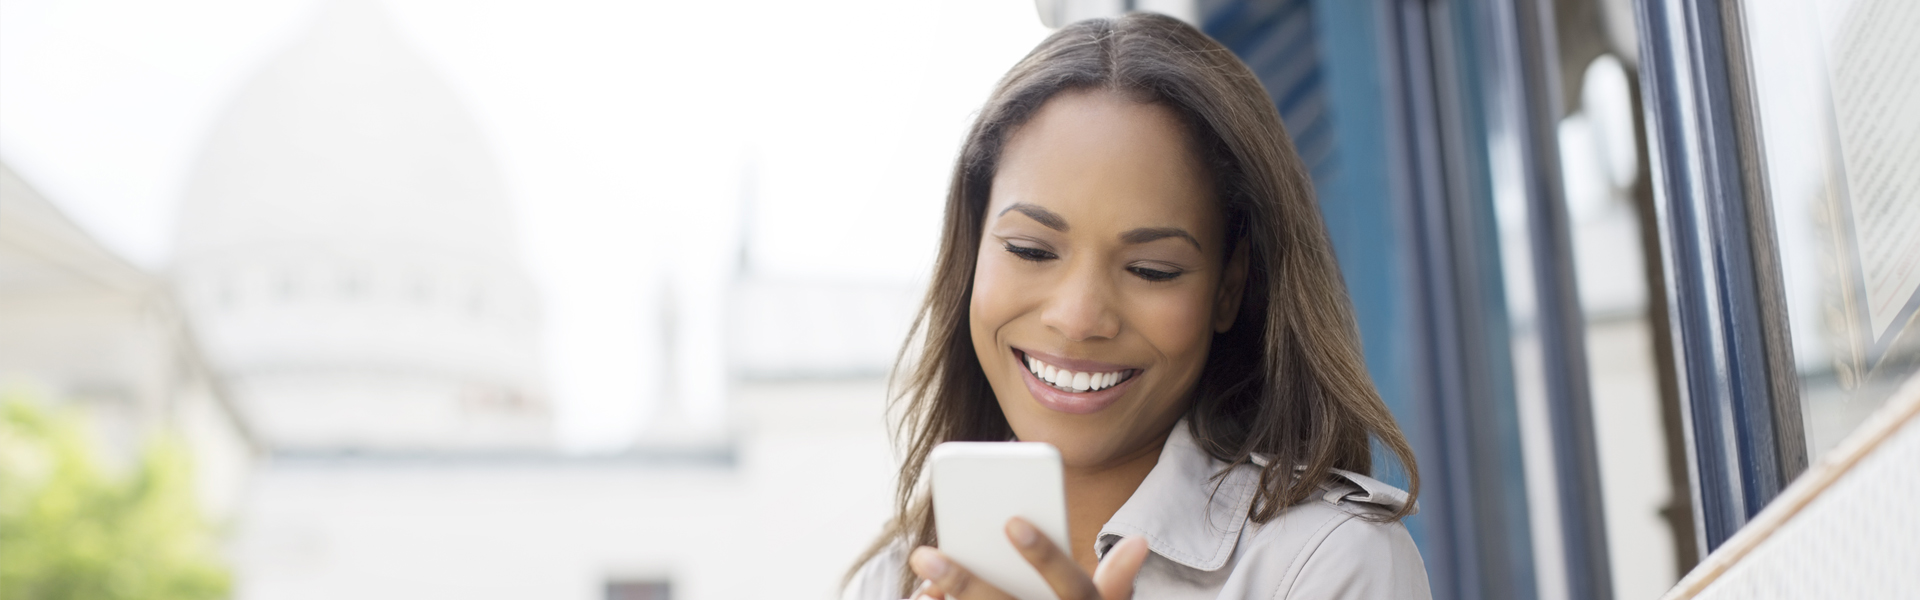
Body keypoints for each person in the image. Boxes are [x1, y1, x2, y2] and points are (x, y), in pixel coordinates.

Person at [844, 13, 1431, 600]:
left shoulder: (1332, 564)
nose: (1077, 319)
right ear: (972, 251)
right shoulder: (891, 581)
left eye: (1152, 270)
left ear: (1229, 287)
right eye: (1029, 250)